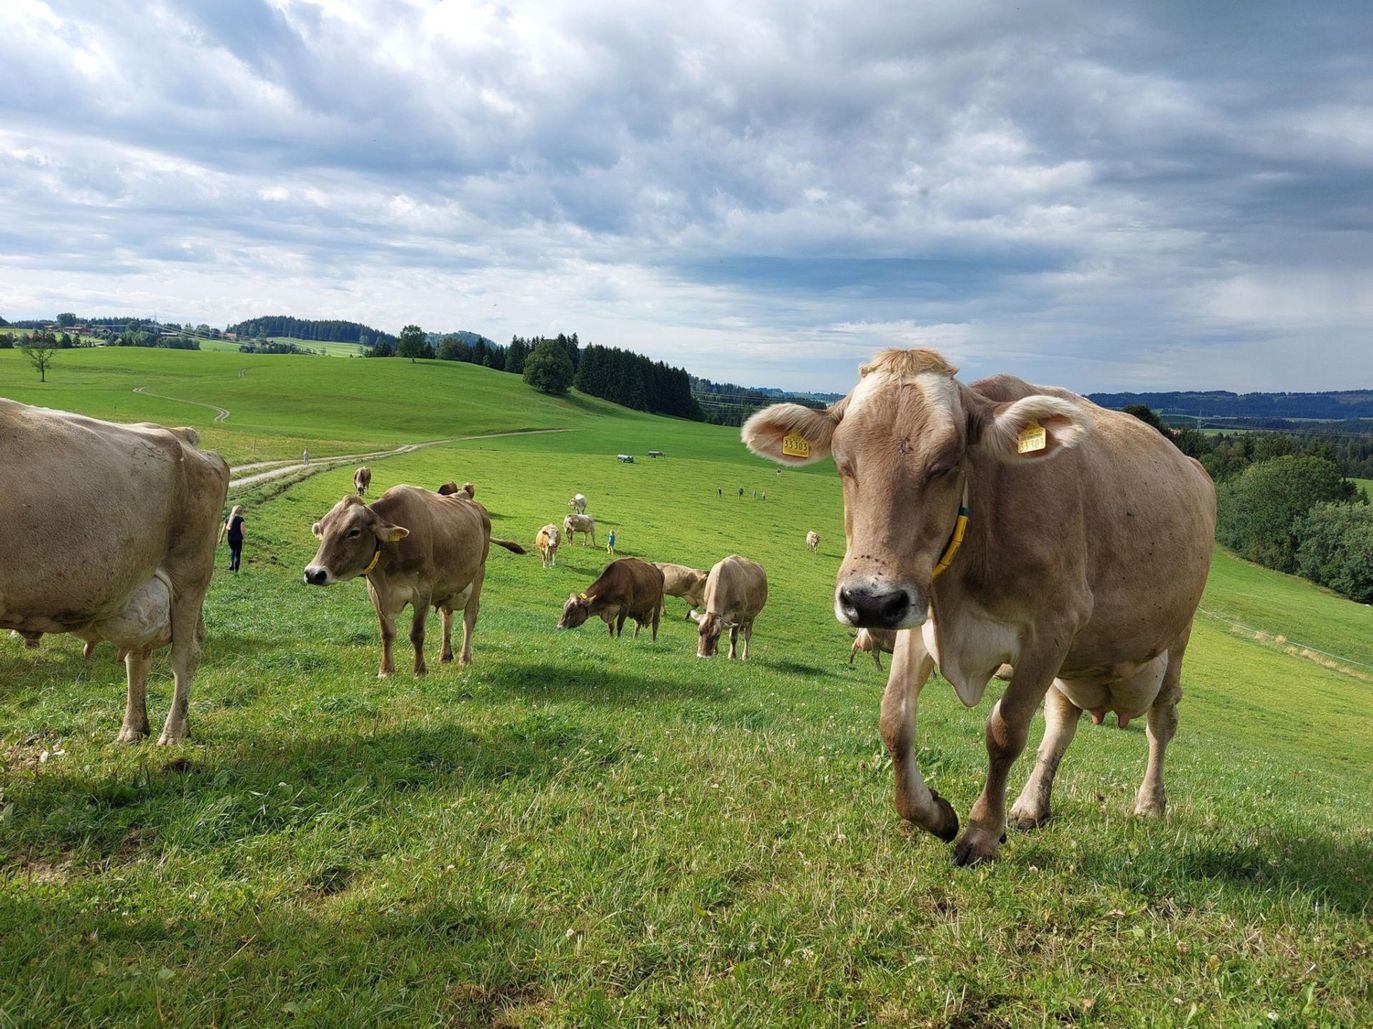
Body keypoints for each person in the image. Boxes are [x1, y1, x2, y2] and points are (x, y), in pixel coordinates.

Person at [218, 504, 246, 572]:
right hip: (238, 539)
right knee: (238, 553)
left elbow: (223, 529)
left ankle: (231, 564)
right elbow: (242, 529)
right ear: (240, 512)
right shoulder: (241, 519)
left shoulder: (228, 519)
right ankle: (236, 569)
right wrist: (244, 538)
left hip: (230, 539)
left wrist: (221, 538)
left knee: (233, 550)